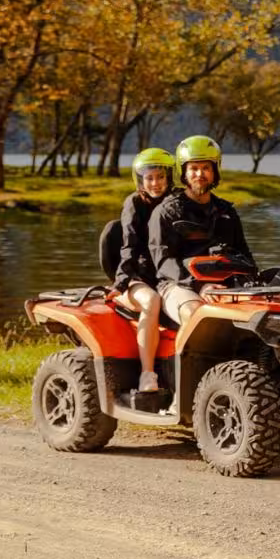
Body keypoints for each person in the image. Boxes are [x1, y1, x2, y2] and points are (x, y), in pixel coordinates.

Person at [146, 136, 252, 354]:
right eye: (193, 168)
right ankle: (186, 383)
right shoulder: (167, 212)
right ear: (183, 173)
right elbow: (164, 262)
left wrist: (255, 282)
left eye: (206, 168)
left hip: (225, 283)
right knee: (198, 314)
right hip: (178, 285)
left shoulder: (226, 212)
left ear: (215, 172)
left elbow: (243, 253)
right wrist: (199, 285)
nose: (199, 174)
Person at [118, 147, 176, 397]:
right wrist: (123, 281)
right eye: (149, 178)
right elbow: (128, 245)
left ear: (169, 177)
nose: (155, 183)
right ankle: (147, 374)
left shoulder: (176, 201)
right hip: (137, 276)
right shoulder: (134, 203)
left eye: (160, 177)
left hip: (169, 274)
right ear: (140, 180)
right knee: (152, 301)